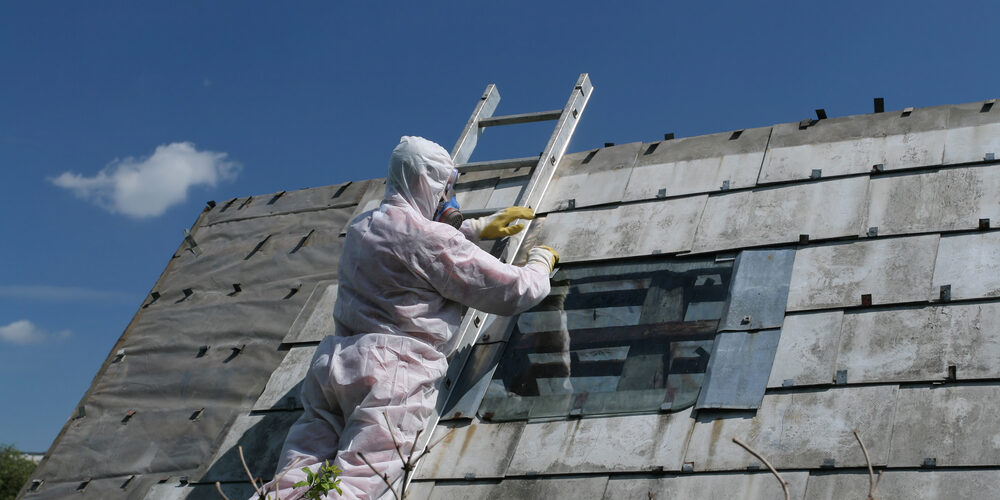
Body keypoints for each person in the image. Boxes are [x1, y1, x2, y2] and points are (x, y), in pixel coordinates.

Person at [261, 136, 559, 499]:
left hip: (334, 368)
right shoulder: (432, 241)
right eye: (446, 187)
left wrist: (475, 229)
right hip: (392, 375)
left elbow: (406, 239)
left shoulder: (363, 226)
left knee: (295, 480)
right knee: (362, 485)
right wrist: (540, 263)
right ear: (428, 182)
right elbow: (512, 291)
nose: (449, 198)